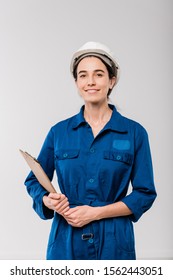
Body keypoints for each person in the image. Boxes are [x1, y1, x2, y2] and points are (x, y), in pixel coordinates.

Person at [25, 41, 157, 260]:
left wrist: (96, 213)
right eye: (83, 75)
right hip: (66, 240)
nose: (91, 82)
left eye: (99, 74)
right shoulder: (59, 132)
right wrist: (47, 200)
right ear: (76, 82)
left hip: (114, 242)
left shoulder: (134, 133)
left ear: (111, 81)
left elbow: (145, 193)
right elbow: (33, 181)